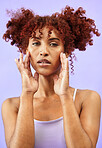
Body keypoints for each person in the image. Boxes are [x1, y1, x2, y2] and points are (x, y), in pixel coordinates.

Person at [1, 5, 101, 148]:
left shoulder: (88, 99)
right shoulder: (11, 106)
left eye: (53, 44)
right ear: (26, 50)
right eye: (36, 43)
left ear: (66, 52)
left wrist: (65, 95)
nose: (43, 51)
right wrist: (27, 94)